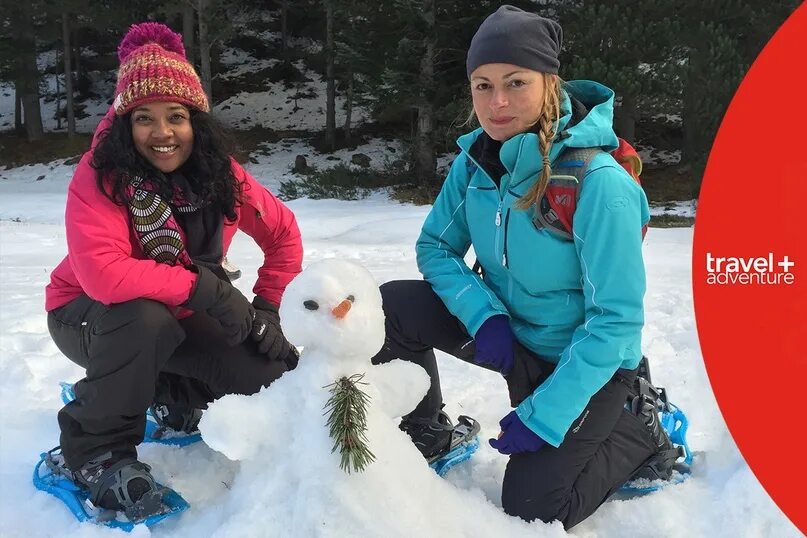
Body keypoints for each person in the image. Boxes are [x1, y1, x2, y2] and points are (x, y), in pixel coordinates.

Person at [372, 5, 677, 529]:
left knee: (533, 507)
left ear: (549, 83)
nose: (498, 102)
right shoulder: (475, 164)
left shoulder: (598, 183)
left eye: (516, 82)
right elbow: (435, 250)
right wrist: (483, 317)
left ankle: (639, 429)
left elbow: (615, 321)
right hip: (511, 337)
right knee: (389, 307)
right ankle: (427, 429)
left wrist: (546, 415)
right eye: (482, 85)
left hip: (587, 362)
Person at [44, 22, 302, 513]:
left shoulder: (222, 176)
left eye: (176, 116)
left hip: (179, 312)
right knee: (145, 318)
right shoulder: (101, 175)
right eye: (144, 118)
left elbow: (284, 235)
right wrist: (212, 292)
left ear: (195, 121)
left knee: (269, 375)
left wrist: (266, 308)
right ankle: (92, 448)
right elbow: (105, 275)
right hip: (86, 313)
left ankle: (171, 392)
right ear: (125, 123)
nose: (162, 133)